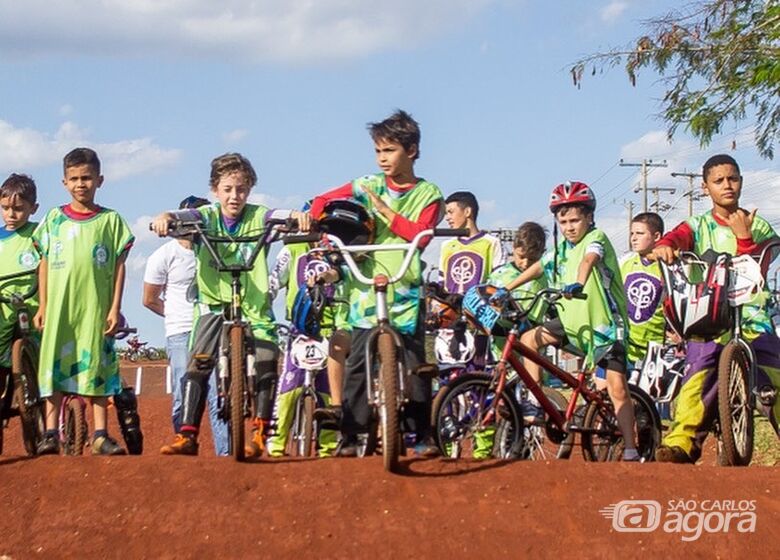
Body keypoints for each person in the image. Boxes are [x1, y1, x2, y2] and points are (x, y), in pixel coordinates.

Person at [300, 109, 445, 457]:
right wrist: (316, 221)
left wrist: (382, 208)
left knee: (415, 362)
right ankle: (350, 435)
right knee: (357, 361)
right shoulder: (366, 183)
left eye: (390, 150)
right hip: (366, 284)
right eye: (378, 151)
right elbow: (323, 201)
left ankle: (420, 435)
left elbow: (420, 235)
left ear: (411, 150)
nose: (383, 159)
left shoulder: (430, 193)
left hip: (405, 285)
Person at [495, 181, 640, 461]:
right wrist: (507, 288)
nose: (569, 227)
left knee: (617, 388)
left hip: (605, 327)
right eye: (563, 221)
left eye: (575, 220)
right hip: (571, 323)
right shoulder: (560, 250)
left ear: (589, 218)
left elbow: (588, 260)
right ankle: (536, 404)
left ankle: (632, 448)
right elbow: (539, 267)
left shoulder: (596, 238)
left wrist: (577, 284)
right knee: (528, 341)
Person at [651, 154, 780, 464]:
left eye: (733, 179)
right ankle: (682, 443)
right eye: (719, 180)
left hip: (752, 316)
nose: (727, 185)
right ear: (705, 187)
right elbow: (674, 238)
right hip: (709, 316)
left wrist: (744, 237)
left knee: (777, 373)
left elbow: (764, 260)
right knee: (697, 375)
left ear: (741, 182)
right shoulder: (696, 225)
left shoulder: (758, 223)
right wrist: (666, 246)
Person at [152, 153, 281, 458]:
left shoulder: (257, 215)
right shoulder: (207, 217)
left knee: (266, 358)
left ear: (249, 189)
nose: (234, 196)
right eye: (227, 189)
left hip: (253, 304)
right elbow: (185, 217)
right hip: (212, 304)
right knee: (198, 363)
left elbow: (275, 215)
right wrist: (166, 217)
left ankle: (261, 431)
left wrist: (295, 218)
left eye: (241, 189)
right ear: (215, 190)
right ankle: (188, 435)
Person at [33, 148, 134, 455]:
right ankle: (51, 432)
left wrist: (114, 307)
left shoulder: (111, 221)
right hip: (60, 308)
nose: (81, 184)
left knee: (98, 367)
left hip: (94, 308)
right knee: (53, 364)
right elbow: (44, 263)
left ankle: (101, 434)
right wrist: (43, 304)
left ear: (99, 180)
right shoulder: (53, 220)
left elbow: (119, 265)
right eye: (74, 179)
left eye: (87, 178)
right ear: (64, 182)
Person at [143, 195, 229, 456]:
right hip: (180, 331)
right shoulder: (164, 255)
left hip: (212, 328)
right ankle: (184, 446)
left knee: (218, 394)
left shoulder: (217, 250)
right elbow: (149, 299)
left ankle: (225, 454)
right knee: (184, 392)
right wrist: (173, 316)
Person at [265, 236, 341, 457]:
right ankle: (277, 443)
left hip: (332, 325)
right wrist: (264, 307)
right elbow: (273, 281)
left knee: (329, 388)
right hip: (300, 326)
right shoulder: (292, 249)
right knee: (289, 385)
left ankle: (328, 445)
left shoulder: (337, 250)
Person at [0, 174, 40, 380]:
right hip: (3, 305)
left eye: (18, 209)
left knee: (40, 350)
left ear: (33, 208)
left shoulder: (38, 233)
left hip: (33, 302)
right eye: (5, 208)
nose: (11, 214)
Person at [619, 212, 667, 366]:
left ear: (657, 236)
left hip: (657, 348)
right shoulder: (624, 262)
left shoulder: (668, 267)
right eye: (632, 233)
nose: (633, 238)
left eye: (640, 233)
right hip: (626, 345)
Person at [439, 191, 505, 295]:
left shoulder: (492, 243)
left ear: (467, 212)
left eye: (451, 212)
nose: (447, 218)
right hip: (452, 308)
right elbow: (442, 282)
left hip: (479, 308)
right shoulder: (446, 246)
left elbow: (499, 281)